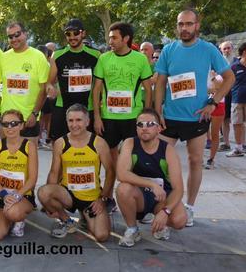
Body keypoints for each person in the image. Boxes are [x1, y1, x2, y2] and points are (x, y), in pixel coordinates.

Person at [154, 9, 235, 226]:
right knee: (159, 162)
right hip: (169, 117)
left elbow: (229, 78)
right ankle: (159, 205)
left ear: (197, 25)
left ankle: (189, 207)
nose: (185, 28)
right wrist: (157, 111)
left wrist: (213, 101)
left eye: (189, 24)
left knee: (195, 161)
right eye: (181, 24)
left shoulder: (208, 49)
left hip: (197, 118)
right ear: (177, 26)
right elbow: (160, 83)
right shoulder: (169, 50)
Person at [92, 22, 152, 207]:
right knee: (108, 161)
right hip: (109, 118)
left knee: (135, 161)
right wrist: (97, 117)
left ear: (126, 39)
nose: (110, 41)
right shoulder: (104, 58)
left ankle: (138, 200)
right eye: (109, 37)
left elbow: (148, 89)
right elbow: (97, 90)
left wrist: (146, 117)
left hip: (132, 118)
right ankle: (107, 198)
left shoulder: (140, 59)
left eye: (114, 37)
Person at [38, 104, 114, 241]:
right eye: (71, 121)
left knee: (101, 236)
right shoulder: (61, 143)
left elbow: (110, 172)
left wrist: (103, 199)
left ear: (87, 122)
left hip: (91, 198)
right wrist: (47, 204)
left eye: (78, 120)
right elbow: (54, 172)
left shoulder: (99, 143)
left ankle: (85, 216)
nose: (74, 125)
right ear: (66, 122)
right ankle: (67, 221)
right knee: (43, 192)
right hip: (68, 194)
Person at [116, 109, 187, 247]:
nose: (144, 128)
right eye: (140, 124)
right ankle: (132, 229)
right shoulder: (130, 143)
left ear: (159, 128)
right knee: (123, 189)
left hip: (161, 198)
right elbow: (121, 174)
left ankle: (161, 223)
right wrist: (151, 184)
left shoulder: (168, 150)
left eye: (150, 124)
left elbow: (179, 189)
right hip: (139, 197)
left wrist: (165, 212)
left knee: (180, 220)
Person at [0, 109, 38, 240]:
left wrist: (16, 195)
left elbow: (32, 178)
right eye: (5, 124)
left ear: (21, 125)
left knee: (14, 212)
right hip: (1, 194)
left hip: (22, 195)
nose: (9, 127)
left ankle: (18, 218)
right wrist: (4, 194)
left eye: (14, 123)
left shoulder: (29, 146)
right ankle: (7, 217)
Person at [47, 19, 100, 141]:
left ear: (83, 33)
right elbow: (49, 82)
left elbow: (99, 84)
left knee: (89, 147)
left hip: (88, 107)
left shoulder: (95, 55)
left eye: (76, 33)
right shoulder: (58, 54)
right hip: (63, 107)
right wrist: (50, 88)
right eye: (68, 34)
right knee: (60, 146)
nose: (72, 37)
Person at [1, 22, 49, 142]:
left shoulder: (38, 56)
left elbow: (43, 89)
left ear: (25, 34)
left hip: (29, 119)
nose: (14, 39)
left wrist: (35, 113)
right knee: (6, 158)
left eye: (17, 35)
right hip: (6, 119)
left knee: (29, 158)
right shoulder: (3, 57)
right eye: (10, 37)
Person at [226, 42, 246, 157]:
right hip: (236, 100)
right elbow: (226, 81)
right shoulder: (234, 66)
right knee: (236, 124)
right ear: (245, 52)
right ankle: (238, 148)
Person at [218, 41, 236, 152]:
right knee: (225, 119)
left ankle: (241, 144)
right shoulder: (218, 62)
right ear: (221, 50)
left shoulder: (237, 61)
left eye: (228, 48)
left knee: (238, 120)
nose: (226, 50)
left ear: (232, 49)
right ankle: (226, 142)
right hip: (224, 93)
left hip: (236, 93)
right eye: (224, 49)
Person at [205, 73, 225, 169]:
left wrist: (213, 76)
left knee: (215, 133)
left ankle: (211, 159)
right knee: (199, 132)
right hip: (204, 104)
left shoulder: (219, 75)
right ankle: (198, 158)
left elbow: (218, 88)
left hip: (218, 104)